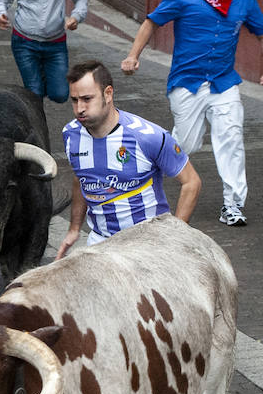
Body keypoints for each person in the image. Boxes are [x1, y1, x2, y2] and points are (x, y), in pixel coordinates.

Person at [120, 0, 263, 228]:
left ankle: (233, 204)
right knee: (186, 144)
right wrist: (133, 56)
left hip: (224, 83)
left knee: (231, 138)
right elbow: (151, 22)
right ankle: (143, 170)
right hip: (187, 82)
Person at [56, 59, 201, 256]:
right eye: (74, 100)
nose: (79, 108)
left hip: (147, 245)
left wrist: (175, 238)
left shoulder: (148, 136)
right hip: (99, 243)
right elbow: (80, 178)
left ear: (108, 94)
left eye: (87, 99)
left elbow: (191, 182)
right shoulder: (70, 134)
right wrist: (74, 229)